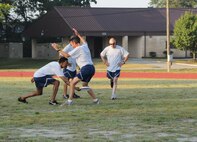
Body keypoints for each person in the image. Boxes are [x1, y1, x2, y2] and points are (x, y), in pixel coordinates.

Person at [51, 28, 99, 105]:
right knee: (84, 85)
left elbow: (66, 55)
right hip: (92, 68)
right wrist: (78, 35)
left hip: (86, 68)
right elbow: (84, 41)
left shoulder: (78, 48)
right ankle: (95, 100)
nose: (72, 46)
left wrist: (57, 49)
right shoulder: (85, 46)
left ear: (74, 42)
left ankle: (69, 101)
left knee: (72, 83)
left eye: (71, 44)